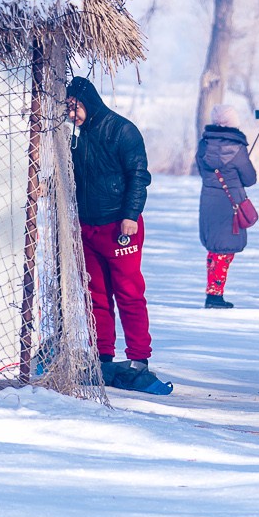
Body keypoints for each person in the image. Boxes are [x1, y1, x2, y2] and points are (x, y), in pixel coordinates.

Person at [66, 75, 169, 395]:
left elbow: (139, 175)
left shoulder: (122, 130)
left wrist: (130, 216)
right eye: (68, 108)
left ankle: (139, 358)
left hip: (119, 228)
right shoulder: (76, 137)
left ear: (89, 102)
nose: (72, 114)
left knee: (129, 294)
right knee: (95, 296)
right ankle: (103, 355)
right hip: (88, 227)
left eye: (75, 107)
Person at [195, 102, 259, 308]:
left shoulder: (204, 145)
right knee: (224, 251)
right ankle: (214, 296)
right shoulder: (238, 149)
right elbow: (249, 179)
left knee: (215, 248)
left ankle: (213, 292)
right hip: (231, 203)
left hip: (209, 201)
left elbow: (202, 170)